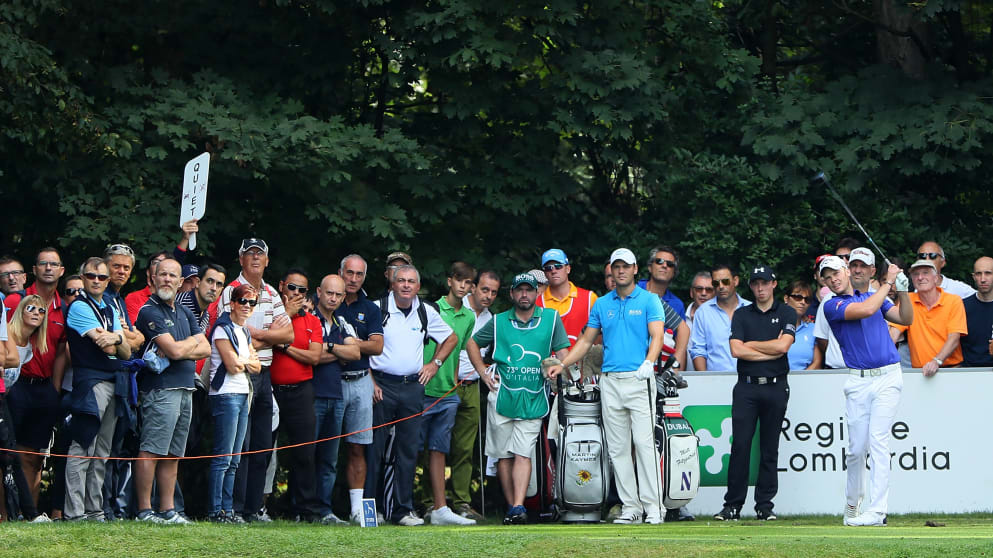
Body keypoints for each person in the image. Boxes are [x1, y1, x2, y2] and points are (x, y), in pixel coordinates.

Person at [547, 249, 665, 524]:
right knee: (617, 449)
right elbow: (587, 342)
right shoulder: (602, 304)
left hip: (639, 378)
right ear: (611, 270)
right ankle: (631, 508)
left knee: (644, 444)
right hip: (609, 381)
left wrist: (649, 361)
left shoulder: (649, 300)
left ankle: (654, 508)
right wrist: (563, 365)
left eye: (626, 266)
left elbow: (657, 334)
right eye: (616, 266)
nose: (620, 271)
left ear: (636, 269)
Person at [467, 272, 569, 525]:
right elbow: (471, 343)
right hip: (502, 395)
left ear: (537, 293)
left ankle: (518, 505)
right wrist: (483, 373)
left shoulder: (551, 319)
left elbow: (564, 351)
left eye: (529, 290)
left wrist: (559, 367)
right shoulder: (500, 321)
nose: (525, 295)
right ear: (512, 294)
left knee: (523, 453)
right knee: (503, 455)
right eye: (520, 290)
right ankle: (513, 507)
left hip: (534, 396)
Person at [819, 255, 912, 526]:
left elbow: (906, 318)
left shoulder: (876, 297)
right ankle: (852, 503)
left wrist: (903, 291)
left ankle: (878, 510)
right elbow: (864, 311)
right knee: (857, 449)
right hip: (858, 382)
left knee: (878, 440)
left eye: (835, 272)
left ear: (846, 271)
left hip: (888, 377)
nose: (832, 279)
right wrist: (889, 282)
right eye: (826, 277)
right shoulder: (832, 305)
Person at [369, 265, 457, 526]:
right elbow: (361, 346)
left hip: (412, 387)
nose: (406, 285)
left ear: (418, 287)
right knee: (375, 448)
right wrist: (370, 380)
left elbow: (450, 339)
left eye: (411, 282)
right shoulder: (377, 308)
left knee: (408, 449)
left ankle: (402, 510)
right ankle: (373, 510)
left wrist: (435, 364)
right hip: (381, 385)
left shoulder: (425, 311)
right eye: (401, 281)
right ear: (392, 284)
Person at [216, 238, 293, 522]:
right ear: (241, 260)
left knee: (261, 444)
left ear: (267, 261)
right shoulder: (231, 291)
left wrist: (256, 335)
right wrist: (264, 335)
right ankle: (234, 507)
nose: (256, 258)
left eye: (260, 254)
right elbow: (233, 331)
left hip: (265, 375)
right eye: (250, 254)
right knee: (241, 445)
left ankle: (252, 509)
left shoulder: (272, 292)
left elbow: (289, 336)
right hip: (240, 372)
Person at [713, 265, 796, 522]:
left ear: (774, 284)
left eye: (765, 283)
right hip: (747, 386)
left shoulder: (787, 312)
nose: (760, 288)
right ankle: (733, 505)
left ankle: (764, 505)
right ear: (750, 286)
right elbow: (736, 351)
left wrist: (752, 345)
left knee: (770, 447)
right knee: (740, 446)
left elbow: (783, 346)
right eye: (756, 283)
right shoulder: (741, 314)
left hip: (775, 384)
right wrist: (769, 349)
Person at [132, 258, 209, 524]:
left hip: (186, 388)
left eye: (172, 276)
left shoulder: (185, 311)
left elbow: (206, 347)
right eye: (161, 274)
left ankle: (168, 510)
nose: (166, 279)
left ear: (180, 282)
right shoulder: (149, 310)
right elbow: (176, 350)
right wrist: (188, 345)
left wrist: (182, 345)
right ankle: (144, 511)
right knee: (152, 449)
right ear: (152, 278)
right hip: (161, 389)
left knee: (174, 453)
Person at [64, 257, 132, 521]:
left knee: (102, 452)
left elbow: (124, 350)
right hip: (91, 384)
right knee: (83, 447)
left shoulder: (109, 307)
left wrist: (116, 337)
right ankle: (75, 513)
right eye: (91, 276)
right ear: (82, 278)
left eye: (102, 277)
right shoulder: (80, 307)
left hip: (113, 382)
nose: (96, 281)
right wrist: (118, 338)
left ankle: (94, 511)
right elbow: (107, 346)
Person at [3, 247, 68, 508]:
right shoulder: (15, 300)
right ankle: (5, 513)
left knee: (33, 457)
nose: (49, 268)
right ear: (34, 270)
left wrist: (54, 388)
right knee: (8, 455)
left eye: (54, 264)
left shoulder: (62, 308)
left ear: (62, 271)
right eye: (43, 264)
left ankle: (28, 512)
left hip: (44, 389)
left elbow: (62, 351)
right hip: (16, 386)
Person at [420, 262, 476, 526]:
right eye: (460, 281)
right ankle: (413, 505)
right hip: (422, 388)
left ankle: (441, 509)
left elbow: (459, 350)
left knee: (439, 449)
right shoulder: (431, 309)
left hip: (447, 391)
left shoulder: (469, 316)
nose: (463, 286)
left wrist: (453, 382)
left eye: (468, 283)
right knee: (412, 450)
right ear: (449, 281)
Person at [269, 268, 324, 522]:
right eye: (293, 288)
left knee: (304, 452)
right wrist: (286, 316)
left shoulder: (312, 321)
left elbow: (314, 357)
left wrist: (286, 346)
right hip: (271, 390)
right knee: (265, 450)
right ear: (282, 286)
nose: (298, 294)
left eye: (303, 290)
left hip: (302, 391)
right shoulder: (271, 313)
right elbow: (263, 338)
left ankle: (304, 509)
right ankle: (259, 506)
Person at [334, 255, 385, 522]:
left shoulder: (371, 308)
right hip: (331, 381)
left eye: (359, 275)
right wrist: (356, 344)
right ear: (340, 272)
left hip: (361, 380)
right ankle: (318, 507)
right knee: (326, 448)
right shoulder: (329, 300)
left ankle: (356, 510)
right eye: (349, 273)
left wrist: (347, 345)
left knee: (358, 446)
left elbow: (377, 346)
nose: (353, 279)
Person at [206, 284, 261, 523]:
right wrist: (246, 360)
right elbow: (232, 366)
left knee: (235, 458)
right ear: (233, 303)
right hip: (226, 394)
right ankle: (214, 509)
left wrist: (244, 360)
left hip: (242, 393)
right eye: (243, 301)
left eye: (252, 303)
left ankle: (228, 510)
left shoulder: (244, 331)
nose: (247, 306)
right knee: (223, 456)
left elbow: (257, 367)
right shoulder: (222, 329)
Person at [448, 269, 500, 521]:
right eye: (484, 289)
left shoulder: (492, 319)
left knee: (465, 449)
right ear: (473, 287)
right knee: (433, 446)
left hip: (471, 385)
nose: (488, 296)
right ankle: (429, 502)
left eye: (493, 292)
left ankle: (461, 502)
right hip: (445, 384)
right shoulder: (456, 308)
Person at [311, 274, 362, 524]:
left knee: (329, 459)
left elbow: (354, 352)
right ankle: (304, 510)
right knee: (308, 455)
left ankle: (325, 510)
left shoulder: (342, 321)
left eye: (338, 294)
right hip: (313, 394)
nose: (333, 298)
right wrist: (335, 350)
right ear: (319, 292)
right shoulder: (308, 319)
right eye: (329, 293)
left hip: (336, 395)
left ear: (343, 297)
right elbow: (312, 355)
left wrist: (329, 347)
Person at [0, 296, 52, 522]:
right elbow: (7, 361)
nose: (35, 313)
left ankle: (21, 513)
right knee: (9, 456)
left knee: (14, 457)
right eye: (30, 308)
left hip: (5, 395)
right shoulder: (7, 335)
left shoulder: (29, 346)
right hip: (6, 398)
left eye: (41, 311)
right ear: (20, 310)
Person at [889, 259, 967, 375]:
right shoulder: (908, 300)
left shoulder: (953, 301)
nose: (920, 277)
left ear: (936, 278)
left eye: (925, 272)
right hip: (920, 373)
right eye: (916, 274)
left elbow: (954, 338)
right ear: (912, 280)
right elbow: (892, 335)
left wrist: (936, 361)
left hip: (952, 371)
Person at [689, 264, 751, 371]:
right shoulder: (703, 312)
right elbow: (698, 350)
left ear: (735, 281)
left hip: (749, 380)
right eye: (716, 283)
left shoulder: (751, 309)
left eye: (725, 281)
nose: (721, 286)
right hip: (715, 381)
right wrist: (705, 380)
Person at [537, 248, 597, 347]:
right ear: (545, 273)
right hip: (549, 362)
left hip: (581, 361)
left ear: (568, 268)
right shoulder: (537, 303)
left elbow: (600, 336)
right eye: (548, 268)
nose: (553, 271)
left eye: (558, 266)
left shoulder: (589, 298)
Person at [638, 245, 686, 319]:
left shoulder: (677, 305)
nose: (664, 265)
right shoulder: (631, 291)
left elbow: (682, 330)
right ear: (650, 267)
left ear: (674, 272)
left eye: (670, 264)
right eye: (659, 261)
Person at [176, 263, 226, 334]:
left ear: (221, 290)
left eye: (219, 284)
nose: (214, 288)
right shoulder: (179, 304)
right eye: (210, 281)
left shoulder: (205, 315)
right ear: (198, 282)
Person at [961, 257, 993, 367]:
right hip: (968, 372)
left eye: (988, 273)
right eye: (979, 274)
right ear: (974, 277)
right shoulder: (962, 307)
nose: (983, 279)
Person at [783, 280, 821, 370]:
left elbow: (817, 362)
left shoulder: (813, 329)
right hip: (776, 381)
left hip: (805, 380)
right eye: (798, 297)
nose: (803, 302)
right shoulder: (773, 325)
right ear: (786, 298)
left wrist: (801, 378)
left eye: (807, 300)